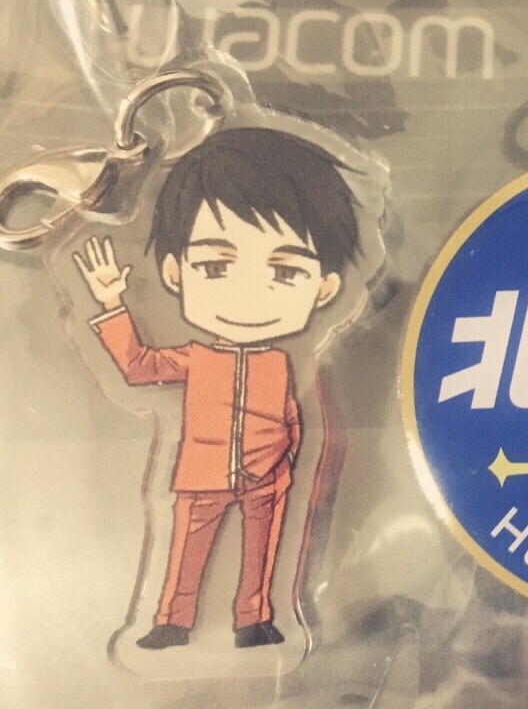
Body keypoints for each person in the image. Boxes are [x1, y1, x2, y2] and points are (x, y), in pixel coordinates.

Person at [73, 128, 360, 650]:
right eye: (214, 266)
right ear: (175, 272)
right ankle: (172, 621)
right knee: (187, 548)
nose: (249, 292)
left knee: (263, 552)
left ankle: (254, 619)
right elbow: (138, 367)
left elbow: (294, 415)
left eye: (285, 271)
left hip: (267, 476)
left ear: (325, 289)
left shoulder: (282, 361)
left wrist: (286, 458)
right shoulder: (195, 356)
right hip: (202, 474)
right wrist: (113, 304)